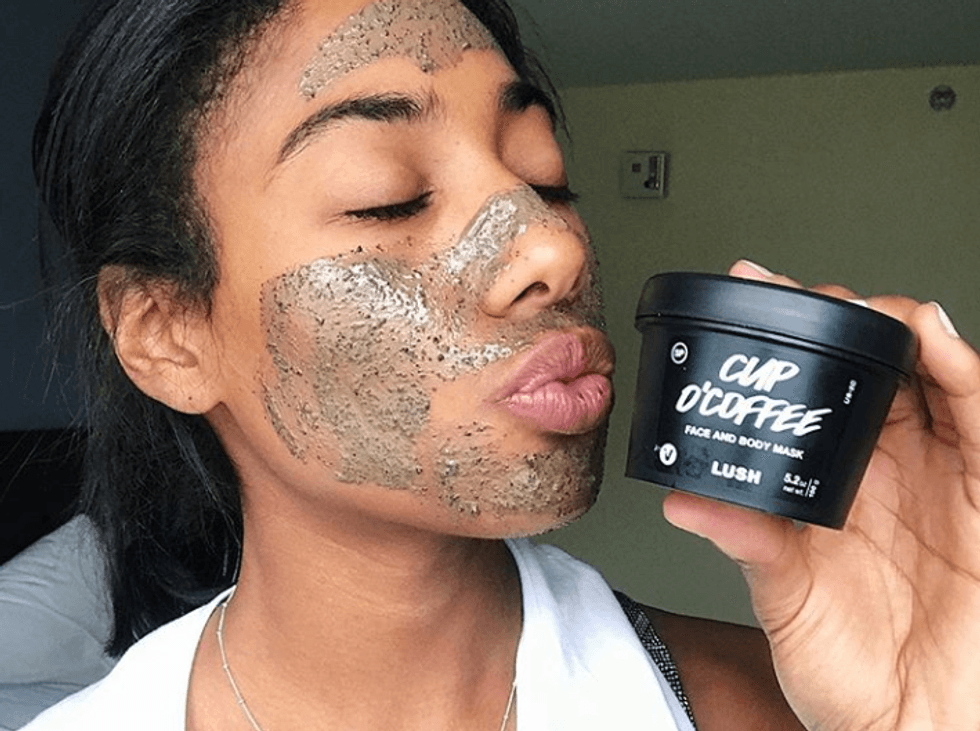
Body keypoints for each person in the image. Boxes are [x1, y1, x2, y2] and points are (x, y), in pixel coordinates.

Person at [23, 0, 980, 728]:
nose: (552, 247)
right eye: (389, 197)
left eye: (544, 177)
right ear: (167, 332)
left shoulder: (780, 710)